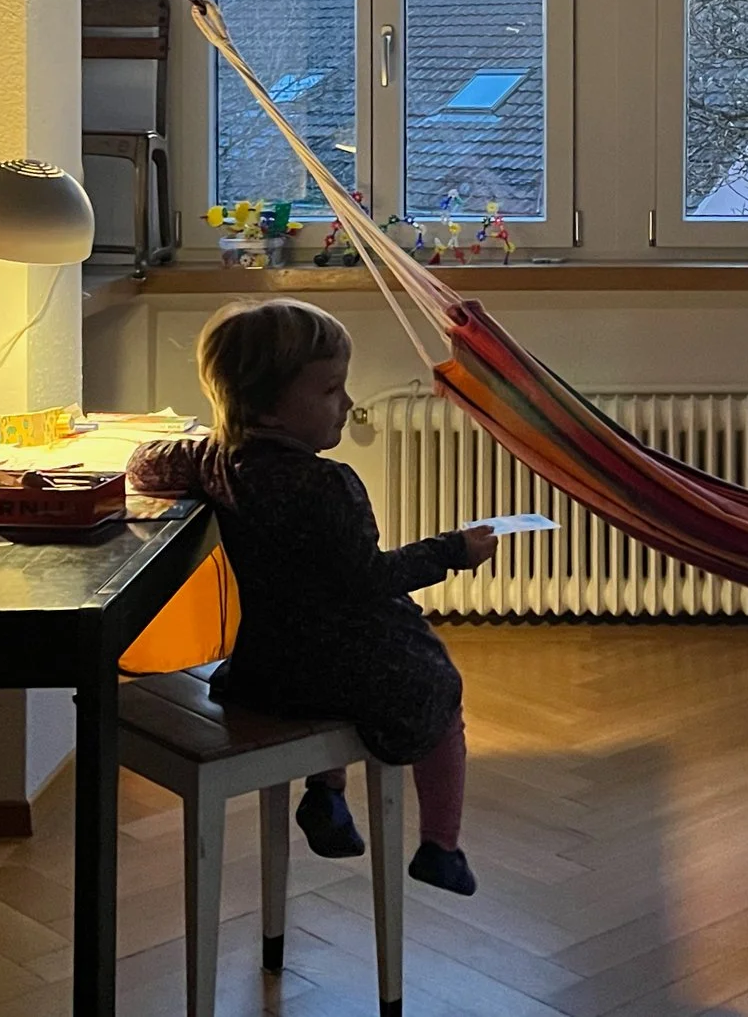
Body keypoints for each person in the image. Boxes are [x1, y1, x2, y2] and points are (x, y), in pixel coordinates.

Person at [127, 298, 497, 894]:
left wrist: (202, 440)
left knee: (339, 666)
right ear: (267, 405)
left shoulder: (217, 461)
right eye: (329, 390)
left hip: (269, 670)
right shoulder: (329, 484)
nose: (347, 404)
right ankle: (441, 846)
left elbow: (145, 465)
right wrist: (453, 549)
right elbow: (369, 579)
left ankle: (327, 792)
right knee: (438, 683)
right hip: (342, 671)